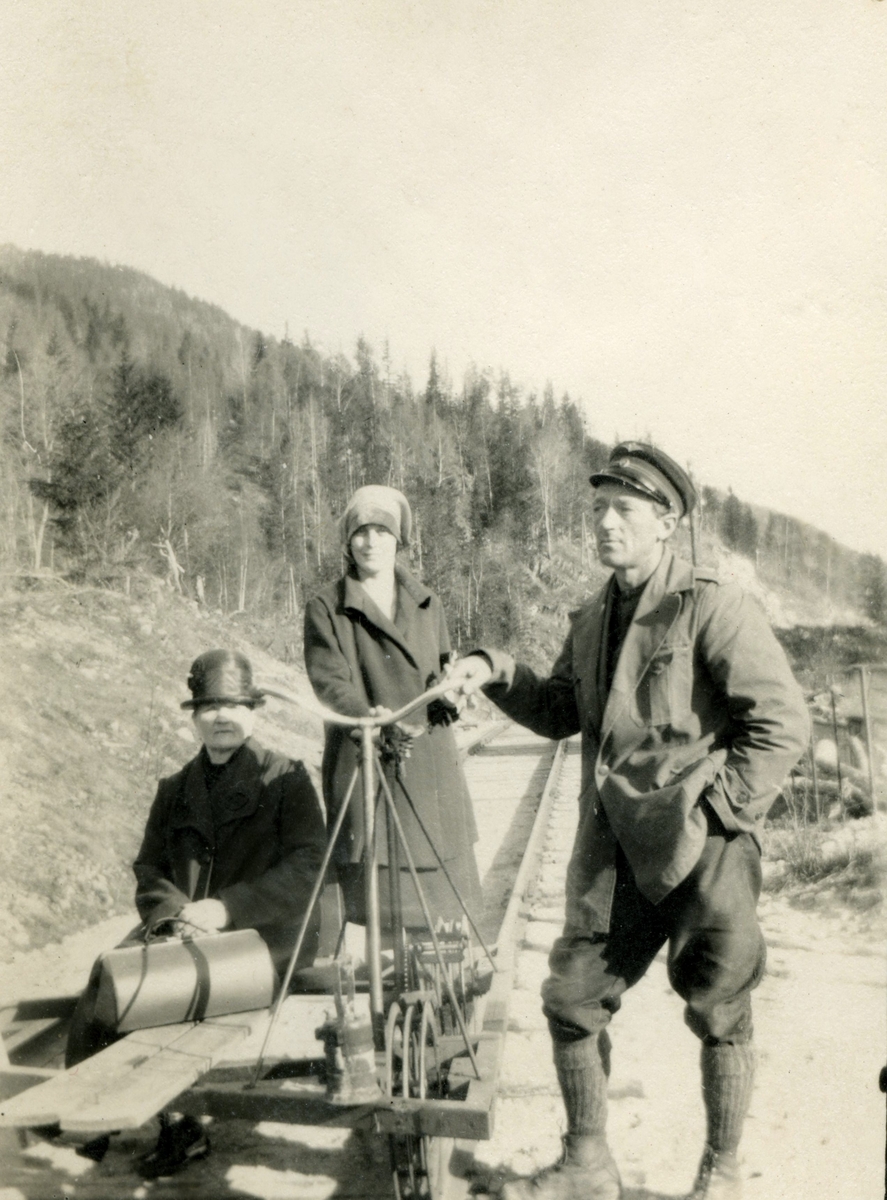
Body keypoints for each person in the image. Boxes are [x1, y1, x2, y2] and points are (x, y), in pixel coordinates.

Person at [445, 444, 810, 1200]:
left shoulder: (711, 603)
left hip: (705, 846)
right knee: (572, 1000)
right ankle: (586, 1163)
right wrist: (494, 669)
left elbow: (779, 724)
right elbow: (556, 710)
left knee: (719, 1006)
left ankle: (722, 1170)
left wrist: (716, 812)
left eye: (623, 511)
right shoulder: (590, 618)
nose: (605, 525)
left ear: (666, 521)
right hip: (613, 844)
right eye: (597, 511)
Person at [65, 648, 326, 1178]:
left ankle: (167, 1123)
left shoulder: (287, 779)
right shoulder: (174, 789)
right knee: (111, 975)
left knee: (152, 990)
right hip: (181, 931)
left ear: (254, 712)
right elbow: (150, 867)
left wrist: (225, 908)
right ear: (194, 717)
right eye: (209, 707)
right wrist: (176, 914)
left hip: (261, 937)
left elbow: (309, 867)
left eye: (233, 705)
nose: (221, 717)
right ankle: (100, 1111)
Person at [303, 484, 482, 935]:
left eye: (382, 531)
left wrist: (453, 690)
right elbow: (330, 682)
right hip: (366, 756)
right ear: (348, 541)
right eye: (361, 531)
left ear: (398, 539)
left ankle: (445, 990)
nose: (371, 541)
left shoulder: (428, 603)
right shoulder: (327, 607)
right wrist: (371, 717)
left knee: (444, 910)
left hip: (428, 761)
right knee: (384, 905)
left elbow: (442, 670)